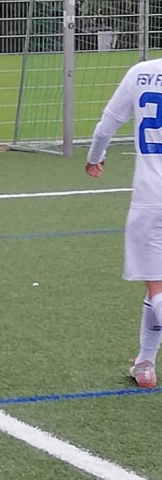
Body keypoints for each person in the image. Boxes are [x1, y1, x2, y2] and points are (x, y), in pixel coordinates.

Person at [86, 59, 162, 388]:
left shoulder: (141, 73)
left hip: (151, 197)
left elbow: (107, 125)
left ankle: (145, 363)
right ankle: (145, 363)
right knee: (156, 288)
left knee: (157, 286)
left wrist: (94, 157)